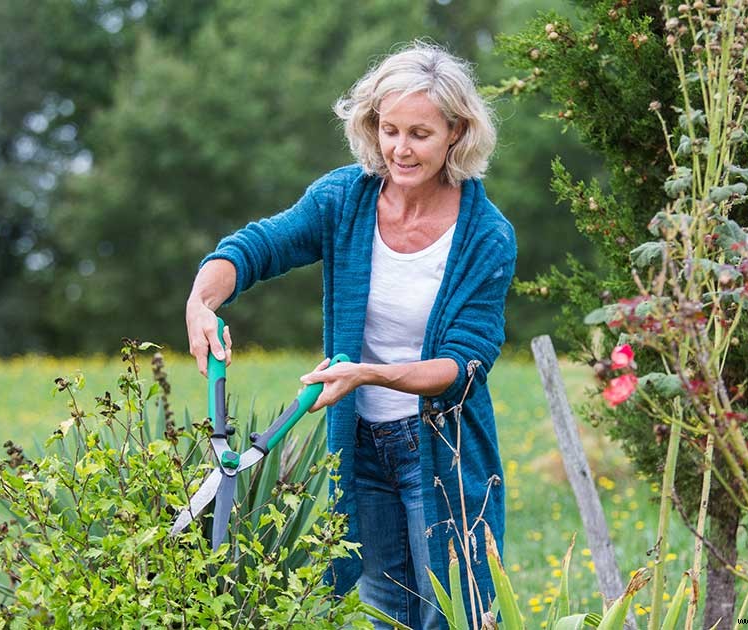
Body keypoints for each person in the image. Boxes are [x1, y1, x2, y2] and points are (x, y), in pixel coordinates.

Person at [185, 41, 516, 630]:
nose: (400, 149)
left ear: (457, 133)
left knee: (456, 614)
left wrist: (369, 373)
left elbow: (464, 364)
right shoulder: (346, 197)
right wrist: (202, 298)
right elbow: (258, 246)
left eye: (419, 133)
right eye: (389, 130)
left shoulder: (486, 235)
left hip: (441, 450)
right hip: (359, 443)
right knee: (390, 610)